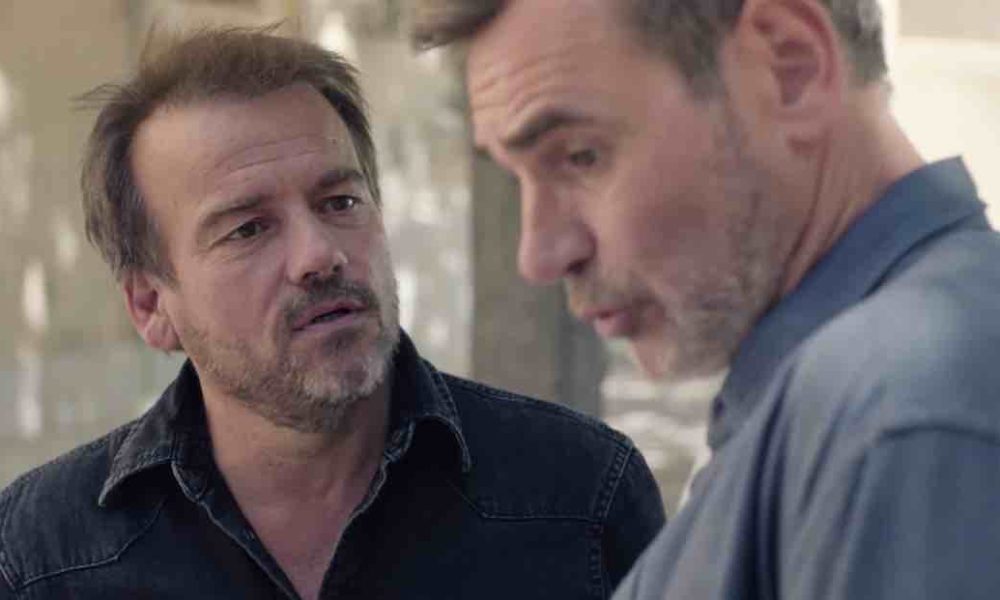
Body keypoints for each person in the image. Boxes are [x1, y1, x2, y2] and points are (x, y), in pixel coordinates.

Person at [0, 28, 666, 600]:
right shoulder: (41, 556)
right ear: (151, 305)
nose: (320, 255)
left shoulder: (579, 496)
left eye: (340, 202)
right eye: (248, 229)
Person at [412, 0, 1000, 597]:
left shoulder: (902, 411)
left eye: (580, 156)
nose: (538, 256)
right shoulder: (841, 404)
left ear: (788, 67)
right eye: (516, 177)